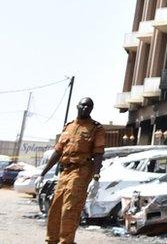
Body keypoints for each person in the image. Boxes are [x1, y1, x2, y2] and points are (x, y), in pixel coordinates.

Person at [41, 97, 105, 244]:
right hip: (65, 172)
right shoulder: (69, 126)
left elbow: (98, 154)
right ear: (77, 106)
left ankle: (66, 241)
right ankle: (51, 240)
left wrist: (95, 177)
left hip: (81, 172)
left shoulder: (96, 128)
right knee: (55, 207)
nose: (85, 109)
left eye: (89, 107)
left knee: (70, 209)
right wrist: (43, 173)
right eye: (83, 105)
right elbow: (57, 152)